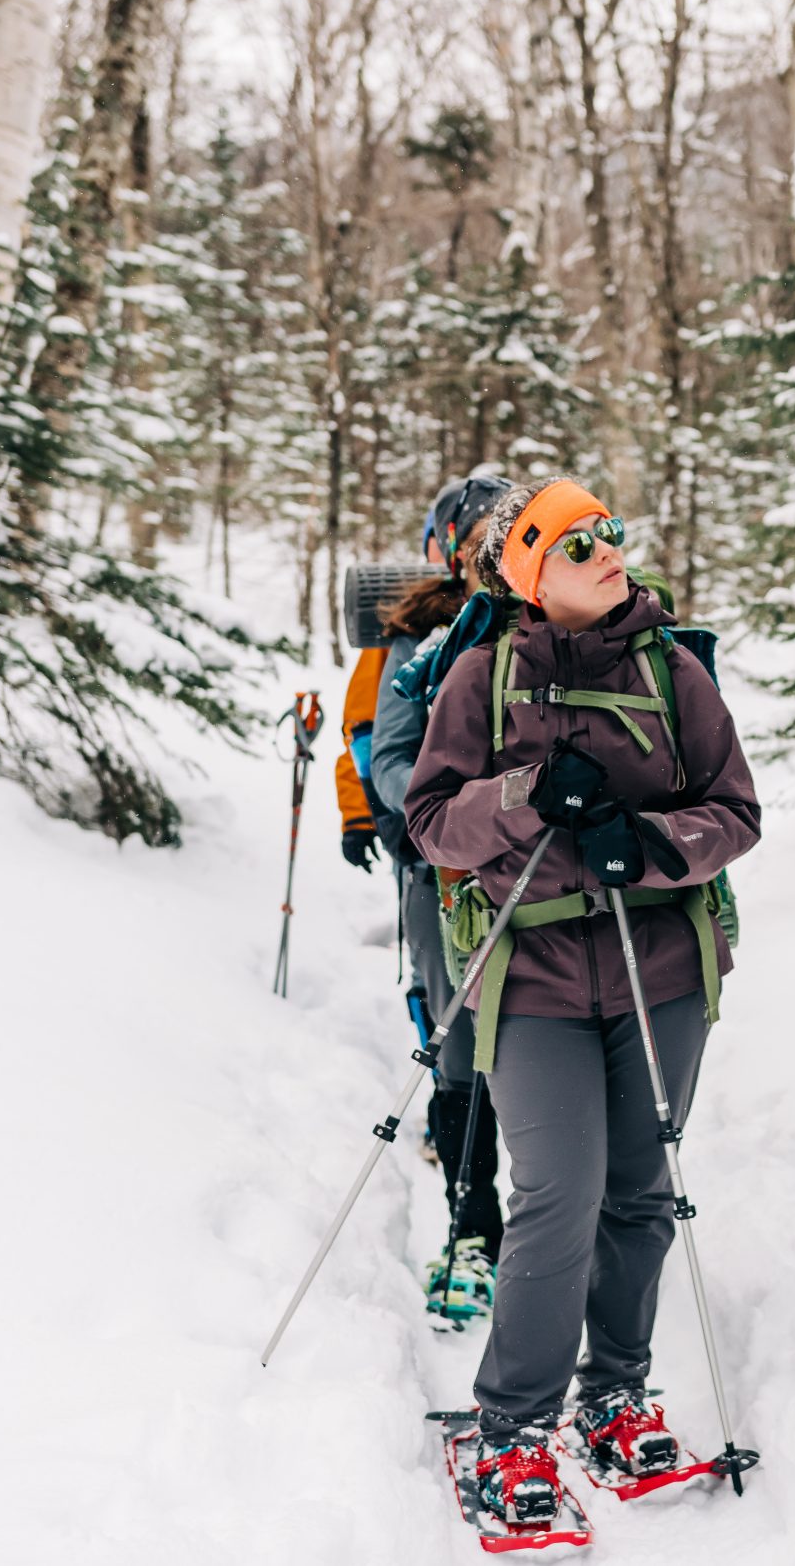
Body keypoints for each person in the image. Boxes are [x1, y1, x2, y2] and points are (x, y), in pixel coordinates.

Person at [405, 477, 760, 1525]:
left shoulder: (672, 671)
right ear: (527, 573)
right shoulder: (482, 675)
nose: (606, 550)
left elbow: (735, 813)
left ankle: (612, 1396)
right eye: (574, 543)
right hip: (534, 978)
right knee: (559, 1191)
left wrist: (643, 846)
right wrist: (520, 795)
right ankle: (510, 1428)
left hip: (663, 971)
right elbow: (429, 823)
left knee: (642, 1193)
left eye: (607, 532)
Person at [366, 474, 514, 1325]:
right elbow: (388, 755)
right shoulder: (421, 635)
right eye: (483, 532)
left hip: (541, 871)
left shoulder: (544, 616)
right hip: (441, 870)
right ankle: (471, 1226)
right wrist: (447, 815)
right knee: (458, 1041)